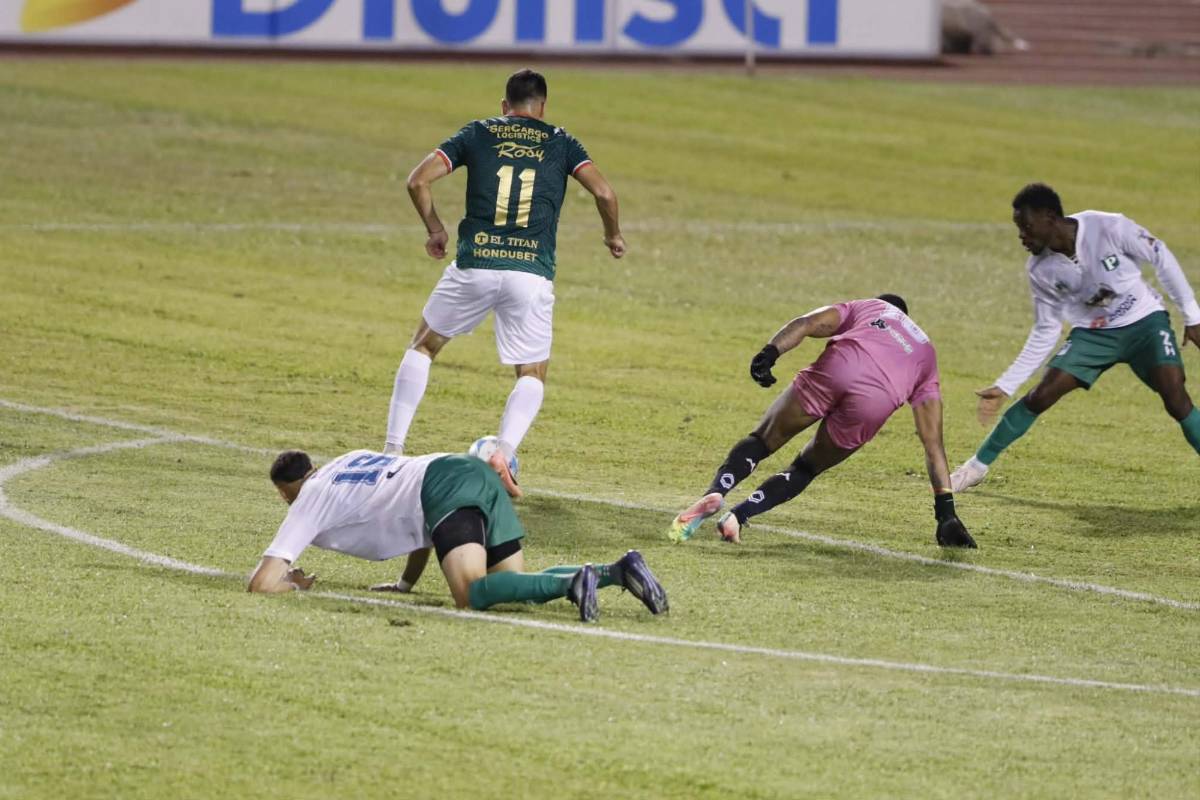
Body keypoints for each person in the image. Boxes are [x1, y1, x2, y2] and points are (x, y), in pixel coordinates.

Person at [384, 68, 625, 477]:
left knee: (424, 346)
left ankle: (391, 450)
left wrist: (436, 229)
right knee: (531, 372)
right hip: (530, 273)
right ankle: (504, 453)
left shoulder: (478, 133)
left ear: (504, 106)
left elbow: (417, 181)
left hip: (475, 263)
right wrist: (612, 235)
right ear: (542, 107)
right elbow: (604, 192)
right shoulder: (561, 141)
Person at [669, 296, 975, 549]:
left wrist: (770, 352)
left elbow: (808, 323)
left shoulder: (873, 307)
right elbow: (932, 442)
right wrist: (945, 514)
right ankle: (738, 516)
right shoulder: (927, 353)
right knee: (804, 468)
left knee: (763, 440)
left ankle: (718, 492)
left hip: (841, 366)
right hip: (874, 402)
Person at [951, 183, 1200, 491]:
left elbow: (1159, 255)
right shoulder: (1040, 270)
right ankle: (975, 468)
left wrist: (1192, 315)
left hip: (1144, 321)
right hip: (1093, 335)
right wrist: (1006, 384)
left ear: (1050, 217)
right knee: (1040, 396)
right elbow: (1046, 329)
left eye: (1026, 227)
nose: (1022, 237)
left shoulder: (1108, 226)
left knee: (1176, 399)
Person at [248, 449, 667, 623]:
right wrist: (406, 584)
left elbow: (262, 584)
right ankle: (617, 571)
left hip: (443, 486)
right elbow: (414, 523)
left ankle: (574, 582)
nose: (287, 504)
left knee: (470, 594)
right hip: (466, 471)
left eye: (284, 496)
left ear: (291, 487)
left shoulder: (308, 499)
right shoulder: (344, 463)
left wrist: (292, 582)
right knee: (511, 588)